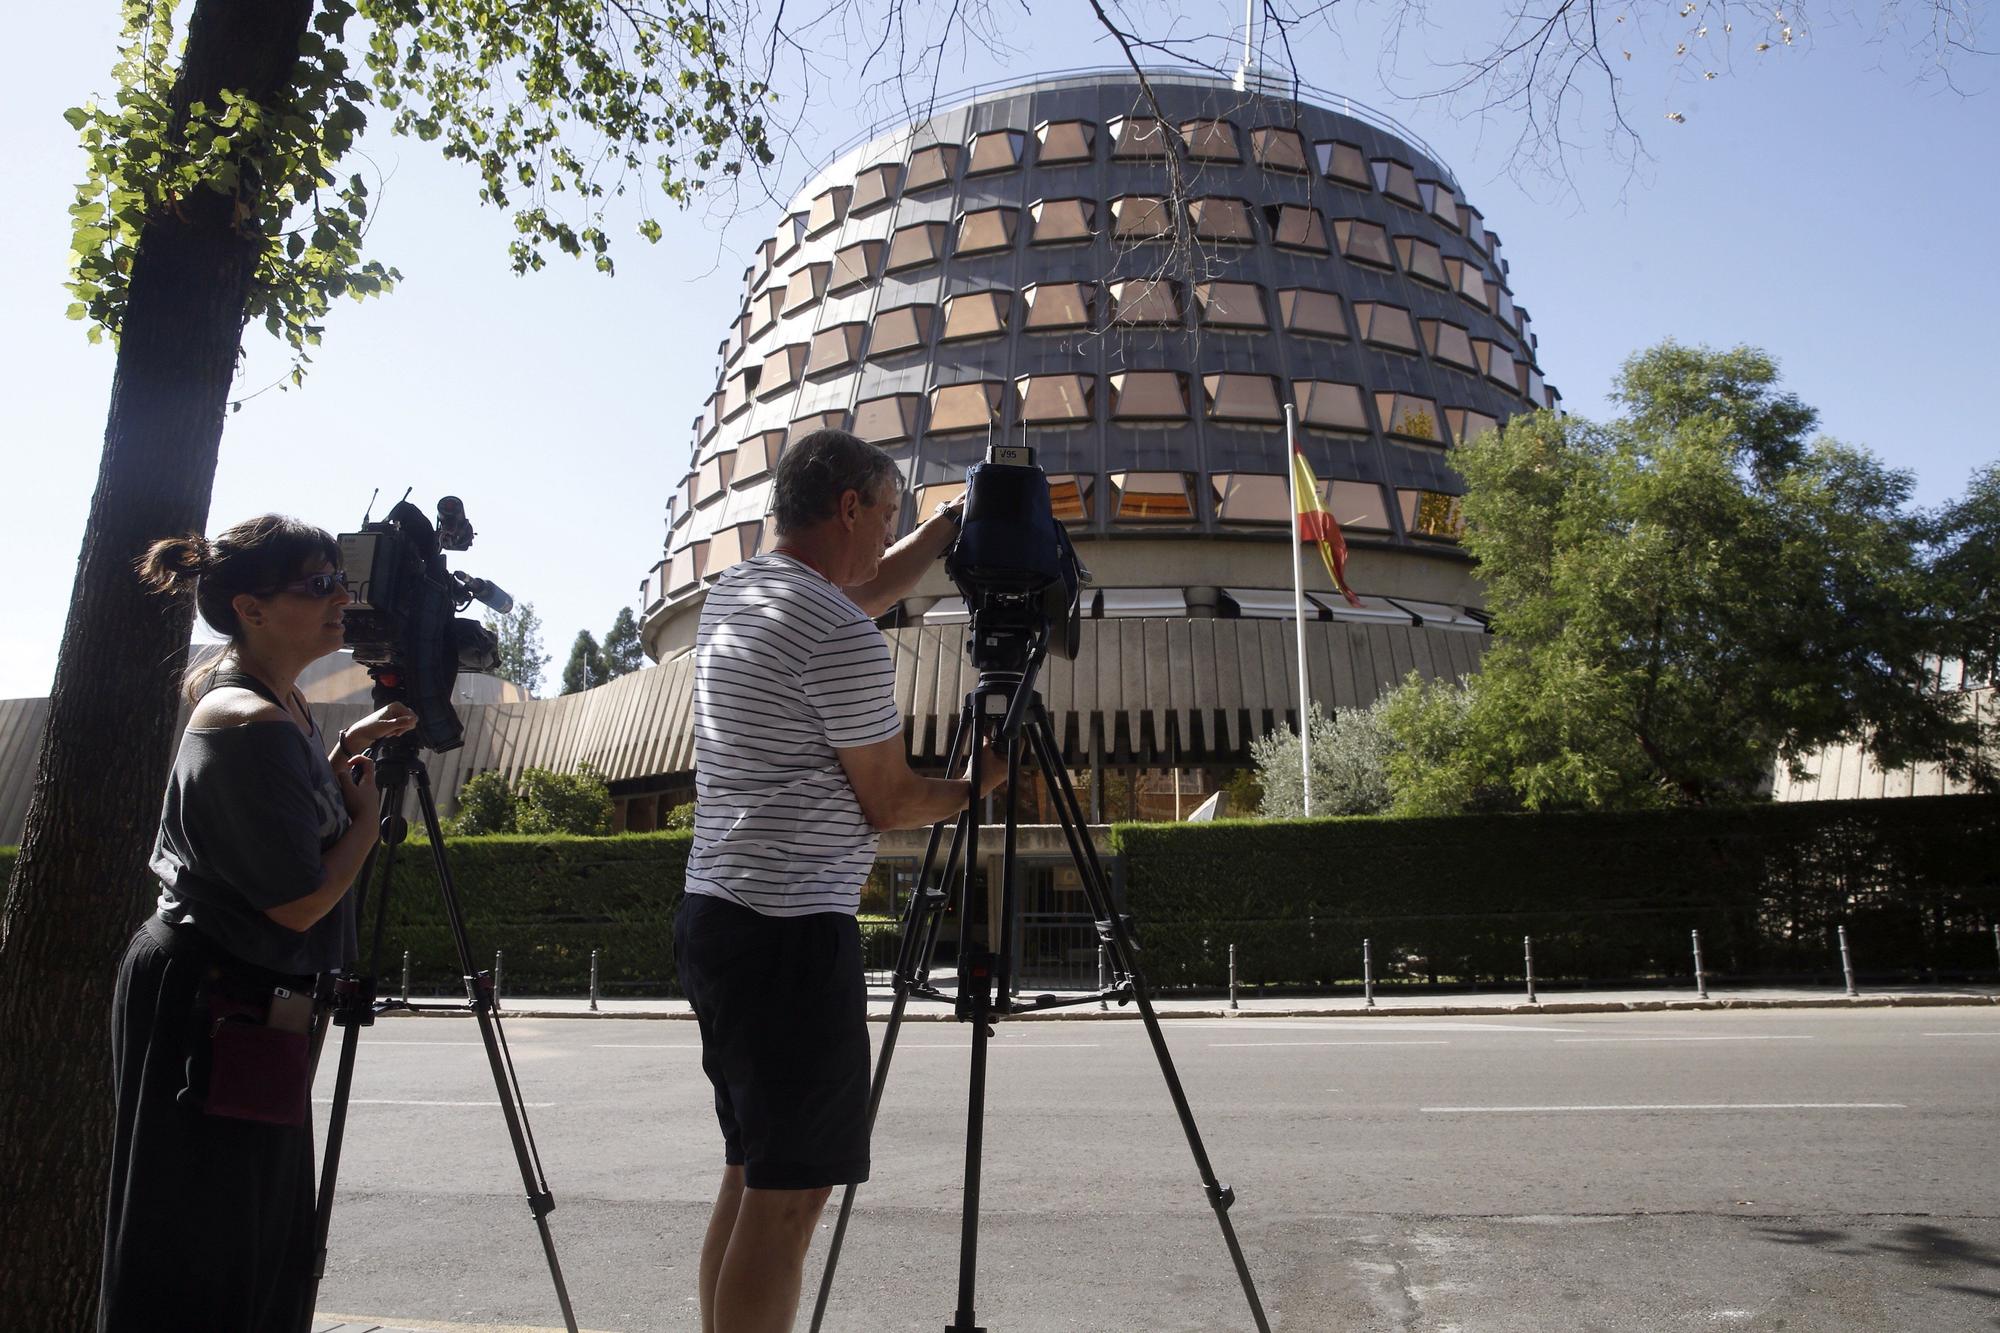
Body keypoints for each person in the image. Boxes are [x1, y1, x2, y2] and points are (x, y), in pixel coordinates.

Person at [675, 429, 1006, 1333]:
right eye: (887, 514)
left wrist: (937, 534)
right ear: (850, 507)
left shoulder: (740, 590)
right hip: (787, 930)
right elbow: (892, 802)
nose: (887, 533)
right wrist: (978, 782)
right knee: (789, 1198)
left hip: (719, 913)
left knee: (751, 1173)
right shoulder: (838, 637)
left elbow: (853, 587)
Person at [100, 514, 416, 1333]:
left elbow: (284, 810)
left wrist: (343, 747)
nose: (342, 597)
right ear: (252, 607)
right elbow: (299, 899)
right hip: (217, 1005)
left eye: (338, 579)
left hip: (228, 995)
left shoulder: (276, 702)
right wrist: (369, 818)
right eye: (318, 584)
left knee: (242, 1234)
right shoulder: (248, 722)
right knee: (213, 1245)